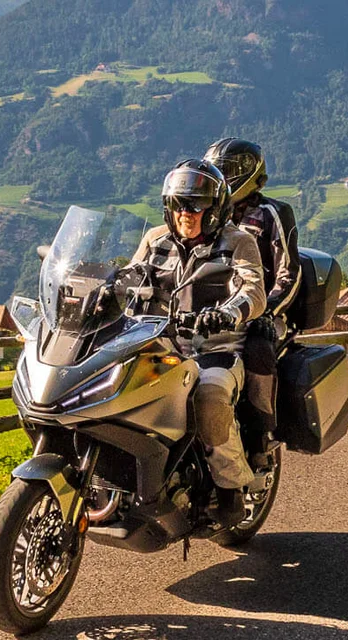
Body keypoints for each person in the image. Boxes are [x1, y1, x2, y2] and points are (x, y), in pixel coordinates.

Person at [129, 159, 268, 522]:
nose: (186, 213)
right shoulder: (155, 240)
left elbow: (254, 291)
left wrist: (228, 312)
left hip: (216, 352)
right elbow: (129, 279)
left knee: (209, 396)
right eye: (178, 204)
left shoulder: (239, 242)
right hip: (161, 347)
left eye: (196, 205)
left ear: (215, 208)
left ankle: (230, 488)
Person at [203, 138, 298, 444]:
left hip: (264, 312)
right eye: (218, 170)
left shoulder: (272, 213)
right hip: (215, 312)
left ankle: (261, 433)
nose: (222, 177)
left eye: (228, 170)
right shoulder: (210, 213)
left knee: (258, 348)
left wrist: (267, 311)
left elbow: (289, 273)